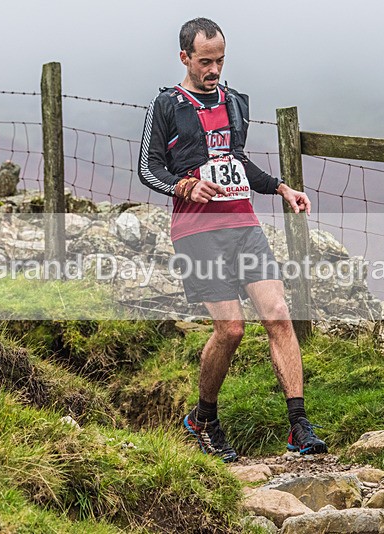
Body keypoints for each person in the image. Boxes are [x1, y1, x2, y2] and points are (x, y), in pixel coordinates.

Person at [138, 17, 327, 462]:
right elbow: (149, 169)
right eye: (205, 61)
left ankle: (298, 426)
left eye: (220, 60)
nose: (214, 69)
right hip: (197, 233)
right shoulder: (167, 105)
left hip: (243, 226)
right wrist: (184, 186)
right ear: (184, 57)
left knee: (279, 315)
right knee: (231, 329)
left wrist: (281, 188)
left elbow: (237, 161)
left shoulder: (235, 102)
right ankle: (202, 421)